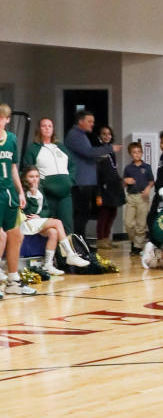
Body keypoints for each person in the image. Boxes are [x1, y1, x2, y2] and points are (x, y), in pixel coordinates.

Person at [19, 168, 82, 277]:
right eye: (31, 177)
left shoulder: (40, 189)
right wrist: (33, 195)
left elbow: (46, 209)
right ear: (25, 178)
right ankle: (70, 254)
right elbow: (26, 210)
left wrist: (40, 216)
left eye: (36, 176)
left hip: (37, 222)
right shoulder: (22, 191)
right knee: (57, 223)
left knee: (53, 232)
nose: (34, 179)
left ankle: (48, 265)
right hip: (26, 222)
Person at [63, 110, 112, 239]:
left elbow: (85, 155)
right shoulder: (75, 135)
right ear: (80, 121)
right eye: (89, 121)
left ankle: (81, 242)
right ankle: (79, 242)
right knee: (81, 214)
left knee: (84, 214)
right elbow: (88, 152)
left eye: (93, 122)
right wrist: (110, 148)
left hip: (86, 181)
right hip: (81, 182)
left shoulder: (81, 135)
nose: (92, 124)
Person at [21, 118, 75, 232]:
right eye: (44, 126)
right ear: (39, 129)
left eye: (49, 126)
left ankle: (66, 249)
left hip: (65, 193)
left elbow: (72, 165)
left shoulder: (60, 147)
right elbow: (27, 170)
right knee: (50, 225)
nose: (47, 128)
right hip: (47, 193)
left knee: (67, 224)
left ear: (53, 129)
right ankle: (51, 249)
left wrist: (70, 181)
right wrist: (40, 185)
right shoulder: (33, 149)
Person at [0, 104, 27, 295]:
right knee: (0, 236)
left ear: (8, 120)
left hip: (8, 192)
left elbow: (13, 168)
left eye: (2, 118)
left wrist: (21, 191)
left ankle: (13, 280)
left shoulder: (12, 139)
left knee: (16, 235)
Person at [93, 123, 124, 251]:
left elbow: (113, 169)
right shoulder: (99, 150)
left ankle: (106, 238)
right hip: (103, 186)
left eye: (109, 134)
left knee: (113, 212)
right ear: (100, 136)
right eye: (104, 134)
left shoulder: (111, 152)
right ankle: (100, 239)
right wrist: (98, 192)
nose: (107, 136)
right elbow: (98, 172)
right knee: (104, 213)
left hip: (113, 186)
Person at [122, 140, 155, 249]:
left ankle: (137, 247)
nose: (137, 154)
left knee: (141, 224)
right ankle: (133, 241)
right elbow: (123, 184)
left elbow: (151, 181)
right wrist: (125, 181)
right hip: (131, 197)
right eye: (134, 152)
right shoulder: (128, 168)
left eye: (139, 152)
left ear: (142, 153)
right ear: (130, 154)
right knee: (128, 223)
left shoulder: (147, 167)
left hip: (143, 198)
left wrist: (147, 189)